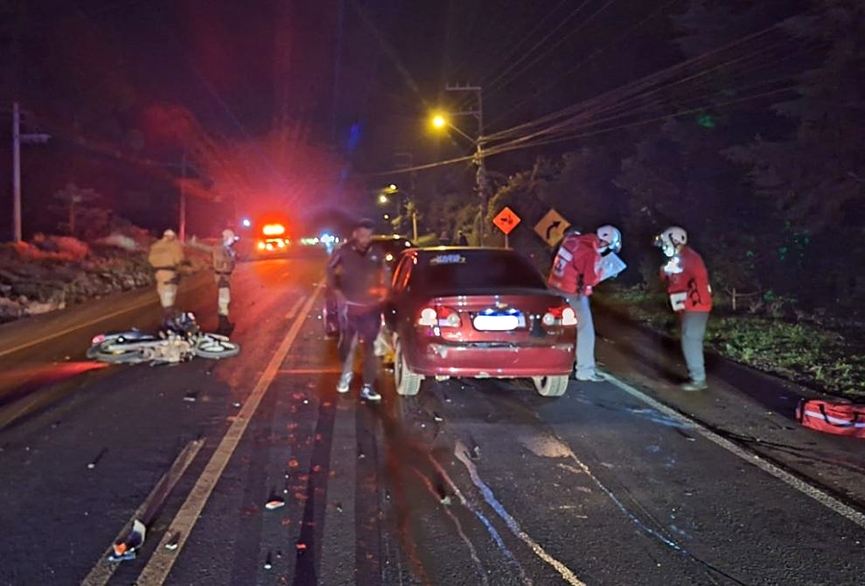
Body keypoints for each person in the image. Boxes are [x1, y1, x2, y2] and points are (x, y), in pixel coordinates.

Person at [547, 224, 623, 382]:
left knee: (550, 324)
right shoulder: (591, 254)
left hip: (553, 287)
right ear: (605, 243)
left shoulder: (573, 240)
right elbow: (590, 280)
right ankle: (585, 370)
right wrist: (603, 270)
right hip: (572, 293)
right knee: (585, 330)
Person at [326, 218, 389, 402]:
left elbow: (385, 271)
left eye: (368, 235)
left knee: (369, 347)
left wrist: (385, 290)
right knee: (348, 343)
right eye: (361, 234)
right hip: (350, 306)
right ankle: (345, 375)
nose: (364, 238)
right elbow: (330, 269)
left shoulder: (377, 251)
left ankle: (367, 386)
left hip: (371, 307)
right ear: (355, 234)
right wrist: (336, 290)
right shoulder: (344, 251)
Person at [655, 226, 712, 391]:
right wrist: (664, 272)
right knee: (689, 339)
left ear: (676, 240)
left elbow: (700, 280)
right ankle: (696, 376)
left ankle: (698, 379)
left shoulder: (691, 258)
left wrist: (698, 302)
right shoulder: (679, 257)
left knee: (690, 340)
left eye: (666, 242)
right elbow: (672, 276)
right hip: (686, 306)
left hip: (695, 306)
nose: (665, 246)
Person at [190, 229, 238, 334]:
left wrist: (195, 243)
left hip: (224, 277)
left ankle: (224, 324)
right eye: (231, 239)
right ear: (228, 238)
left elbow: (206, 248)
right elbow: (224, 263)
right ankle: (223, 326)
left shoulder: (225, 248)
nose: (232, 241)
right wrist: (231, 258)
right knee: (224, 301)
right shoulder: (220, 249)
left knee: (224, 300)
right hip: (222, 277)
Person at [148, 228, 186, 328]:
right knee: (169, 302)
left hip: (158, 275)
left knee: (164, 300)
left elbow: (151, 260)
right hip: (170, 275)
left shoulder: (155, 246)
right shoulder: (174, 245)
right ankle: (167, 324)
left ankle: (166, 321)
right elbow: (179, 259)